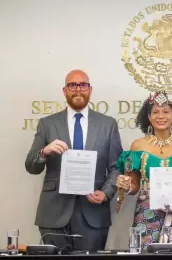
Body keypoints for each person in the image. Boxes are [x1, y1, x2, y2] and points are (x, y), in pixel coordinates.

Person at [25, 69, 122, 252]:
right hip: (54, 212)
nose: (78, 89)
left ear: (90, 90)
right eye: (72, 85)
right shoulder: (47, 124)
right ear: (64, 90)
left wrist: (106, 193)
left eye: (83, 85)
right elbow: (31, 165)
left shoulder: (108, 124)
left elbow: (116, 166)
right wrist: (44, 152)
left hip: (93, 212)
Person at [115, 91, 172, 249]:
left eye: (166, 112)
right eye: (155, 112)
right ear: (149, 117)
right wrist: (127, 186)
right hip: (146, 213)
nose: (161, 116)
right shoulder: (138, 146)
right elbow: (134, 185)